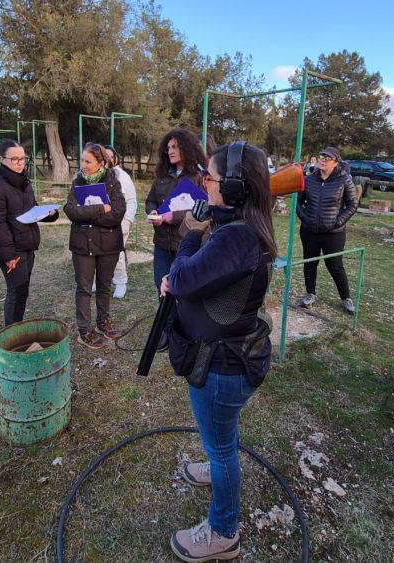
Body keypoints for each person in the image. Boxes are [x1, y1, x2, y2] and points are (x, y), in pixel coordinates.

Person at [160, 142, 276, 562]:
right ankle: (217, 456)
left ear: (233, 185)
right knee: (220, 439)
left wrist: (189, 235)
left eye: (208, 176)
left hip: (221, 365)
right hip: (228, 356)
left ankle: (224, 532)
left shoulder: (238, 237)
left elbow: (186, 278)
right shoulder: (241, 225)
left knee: (224, 450)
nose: (203, 182)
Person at [0, 138, 59, 327]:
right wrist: (8, 255)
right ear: (2, 159)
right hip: (12, 250)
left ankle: (18, 325)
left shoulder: (24, 182)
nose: (19, 163)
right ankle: (12, 332)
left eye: (22, 159)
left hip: (27, 245)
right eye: (14, 159)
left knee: (23, 290)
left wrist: (48, 214)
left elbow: (31, 209)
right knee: (16, 291)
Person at [145, 128, 207, 346]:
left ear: (186, 148)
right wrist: (153, 212)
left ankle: (187, 332)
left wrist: (174, 217)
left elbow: (204, 210)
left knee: (186, 288)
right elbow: (151, 200)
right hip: (162, 243)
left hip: (186, 245)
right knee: (161, 285)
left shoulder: (199, 177)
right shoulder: (162, 176)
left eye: (175, 147)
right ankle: (167, 330)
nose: (169, 151)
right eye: (168, 147)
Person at [64, 142, 126, 349]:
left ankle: (104, 322)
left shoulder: (113, 182)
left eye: (88, 161)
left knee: (104, 286)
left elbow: (117, 214)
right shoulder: (78, 182)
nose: (83, 164)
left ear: (100, 163)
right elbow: (71, 211)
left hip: (108, 244)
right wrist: (101, 208)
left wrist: (87, 216)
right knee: (84, 289)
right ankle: (85, 330)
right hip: (83, 245)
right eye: (82, 160)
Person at [296, 146, 359, 313]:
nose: (322, 159)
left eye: (327, 158)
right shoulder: (309, 179)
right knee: (310, 262)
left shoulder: (344, 179)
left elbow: (353, 204)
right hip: (309, 231)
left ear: (335, 162)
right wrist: (304, 217)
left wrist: (338, 222)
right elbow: (298, 201)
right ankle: (310, 294)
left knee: (335, 265)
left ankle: (346, 298)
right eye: (321, 156)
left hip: (333, 233)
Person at [103, 145, 137, 299]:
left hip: (119, 222)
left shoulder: (123, 177)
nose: (107, 159)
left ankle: (120, 282)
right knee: (97, 253)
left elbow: (132, 201)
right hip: (100, 222)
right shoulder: (97, 175)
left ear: (115, 158)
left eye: (110, 156)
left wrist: (127, 221)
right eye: (104, 155)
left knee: (116, 253)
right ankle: (99, 282)